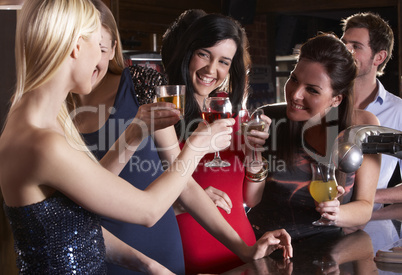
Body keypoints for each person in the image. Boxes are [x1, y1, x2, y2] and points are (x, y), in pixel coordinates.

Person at [0, 0, 268, 273]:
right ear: (77, 46)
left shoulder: (30, 124)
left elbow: (75, 222)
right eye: (98, 45)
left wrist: (148, 265)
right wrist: (197, 146)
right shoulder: (44, 143)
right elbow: (148, 211)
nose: (101, 58)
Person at [72, 2, 292, 274]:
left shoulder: (146, 87)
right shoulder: (55, 108)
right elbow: (83, 204)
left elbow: (191, 186)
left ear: (114, 47)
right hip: (108, 255)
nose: (92, 59)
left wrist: (244, 249)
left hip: (176, 253)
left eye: (102, 48)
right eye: (203, 54)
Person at [163, 12, 273, 274]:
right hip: (187, 259)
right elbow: (134, 207)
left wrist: (254, 153)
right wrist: (183, 204)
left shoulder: (238, 119)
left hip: (243, 256)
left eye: (223, 61)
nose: (211, 70)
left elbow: (251, 199)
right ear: (187, 53)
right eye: (203, 54)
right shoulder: (162, 118)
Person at [246, 33, 381, 242]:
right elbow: (251, 200)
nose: (295, 94)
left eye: (312, 90)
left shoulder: (361, 128)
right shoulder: (268, 119)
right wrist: (251, 152)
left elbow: (365, 207)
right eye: (294, 79)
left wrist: (336, 213)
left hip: (325, 251)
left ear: (336, 99)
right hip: (263, 245)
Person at [340, 11, 402, 251]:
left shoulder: (398, 112)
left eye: (355, 46)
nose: (346, 52)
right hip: (312, 229)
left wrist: (368, 202)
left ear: (379, 56)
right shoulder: (323, 102)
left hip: (371, 237)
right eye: (343, 44)